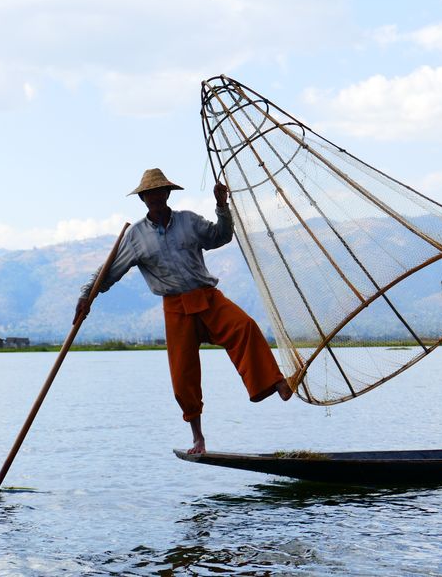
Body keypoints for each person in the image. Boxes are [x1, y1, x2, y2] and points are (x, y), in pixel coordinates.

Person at [75, 168, 292, 454]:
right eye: (148, 194)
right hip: (175, 308)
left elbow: (220, 236)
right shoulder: (136, 236)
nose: (154, 197)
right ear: (143, 199)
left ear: (167, 194)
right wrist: (86, 297)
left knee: (245, 327)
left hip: (207, 297)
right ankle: (198, 437)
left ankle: (277, 383)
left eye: (158, 192)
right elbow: (110, 272)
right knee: (183, 376)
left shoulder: (188, 221)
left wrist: (222, 206)